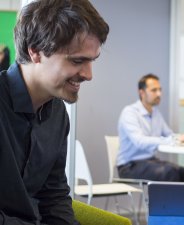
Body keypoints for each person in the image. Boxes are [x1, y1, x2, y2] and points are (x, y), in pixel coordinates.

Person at [0, 0, 109, 224]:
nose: (89, 75)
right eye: (78, 60)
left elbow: (53, 196)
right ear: (35, 52)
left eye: (92, 61)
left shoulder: (58, 114)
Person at [117, 74, 184, 182]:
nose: (159, 94)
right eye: (154, 90)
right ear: (142, 92)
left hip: (150, 161)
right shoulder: (130, 112)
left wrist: (183, 137)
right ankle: (165, 200)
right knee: (169, 172)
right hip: (129, 166)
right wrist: (172, 140)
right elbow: (140, 141)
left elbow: (169, 134)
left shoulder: (156, 113)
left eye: (160, 90)